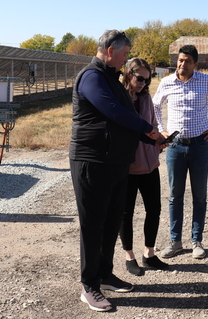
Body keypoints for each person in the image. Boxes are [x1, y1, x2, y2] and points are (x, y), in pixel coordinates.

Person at [69, 30, 160, 312]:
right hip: (93, 162)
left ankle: (105, 274)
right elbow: (113, 112)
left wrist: (153, 138)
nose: (125, 60)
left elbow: (127, 119)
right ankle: (90, 286)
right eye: (123, 54)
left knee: (111, 222)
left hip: (117, 163)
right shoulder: (92, 77)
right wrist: (148, 129)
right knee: (93, 225)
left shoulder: (111, 78)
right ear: (110, 51)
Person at [152, 44, 208, 259]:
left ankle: (197, 241)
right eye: (180, 60)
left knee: (199, 196)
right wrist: (161, 130)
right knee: (175, 195)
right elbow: (155, 105)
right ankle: (175, 241)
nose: (182, 64)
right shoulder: (167, 82)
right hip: (175, 147)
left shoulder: (205, 81)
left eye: (187, 61)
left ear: (195, 64)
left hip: (200, 146)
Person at [119, 58, 168, 276]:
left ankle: (149, 254)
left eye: (147, 81)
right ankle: (129, 256)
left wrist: (160, 141)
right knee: (125, 213)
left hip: (150, 163)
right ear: (129, 73)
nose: (143, 84)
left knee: (154, 209)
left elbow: (152, 125)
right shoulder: (118, 98)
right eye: (140, 78)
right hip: (128, 166)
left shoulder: (146, 97)